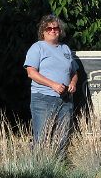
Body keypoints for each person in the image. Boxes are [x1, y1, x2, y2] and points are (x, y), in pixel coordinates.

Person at [24, 14, 78, 152]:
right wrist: (53, 85)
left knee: (63, 137)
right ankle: (39, 168)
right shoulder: (37, 47)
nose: (53, 31)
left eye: (56, 28)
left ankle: (59, 167)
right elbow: (31, 73)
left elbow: (74, 72)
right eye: (49, 28)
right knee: (42, 137)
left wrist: (73, 83)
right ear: (43, 31)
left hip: (65, 100)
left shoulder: (65, 49)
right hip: (43, 98)